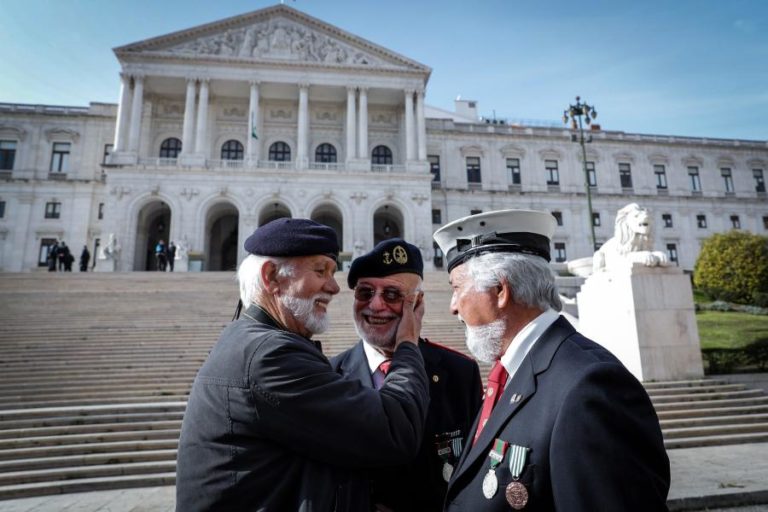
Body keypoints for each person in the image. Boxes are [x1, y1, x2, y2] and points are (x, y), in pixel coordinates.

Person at [176, 218, 430, 512]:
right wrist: (408, 344)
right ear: (271, 277)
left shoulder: (250, 341)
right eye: (320, 270)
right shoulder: (269, 356)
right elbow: (396, 429)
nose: (334, 287)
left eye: (333, 272)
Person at [433, 209, 670, 511]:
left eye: (456, 288)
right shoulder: (512, 373)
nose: (453, 307)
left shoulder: (589, 387)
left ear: (499, 291)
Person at [332, 238, 483, 512]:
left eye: (392, 295)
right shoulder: (329, 375)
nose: (375, 306)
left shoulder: (459, 372)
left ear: (419, 302)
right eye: (365, 293)